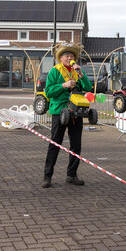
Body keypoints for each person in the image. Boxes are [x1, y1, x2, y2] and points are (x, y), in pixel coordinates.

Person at [42, 43, 92, 188]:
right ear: (61, 58)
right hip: (59, 111)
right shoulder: (55, 71)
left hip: (76, 111)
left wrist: (81, 75)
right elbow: (49, 92)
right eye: (67, 56)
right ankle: (47, 176)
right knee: (55, 143)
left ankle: (72, 175)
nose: (70, 58)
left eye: (72, 56)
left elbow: (88, 88)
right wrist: (63, 85)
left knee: (76, 145)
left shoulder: (77, 71)